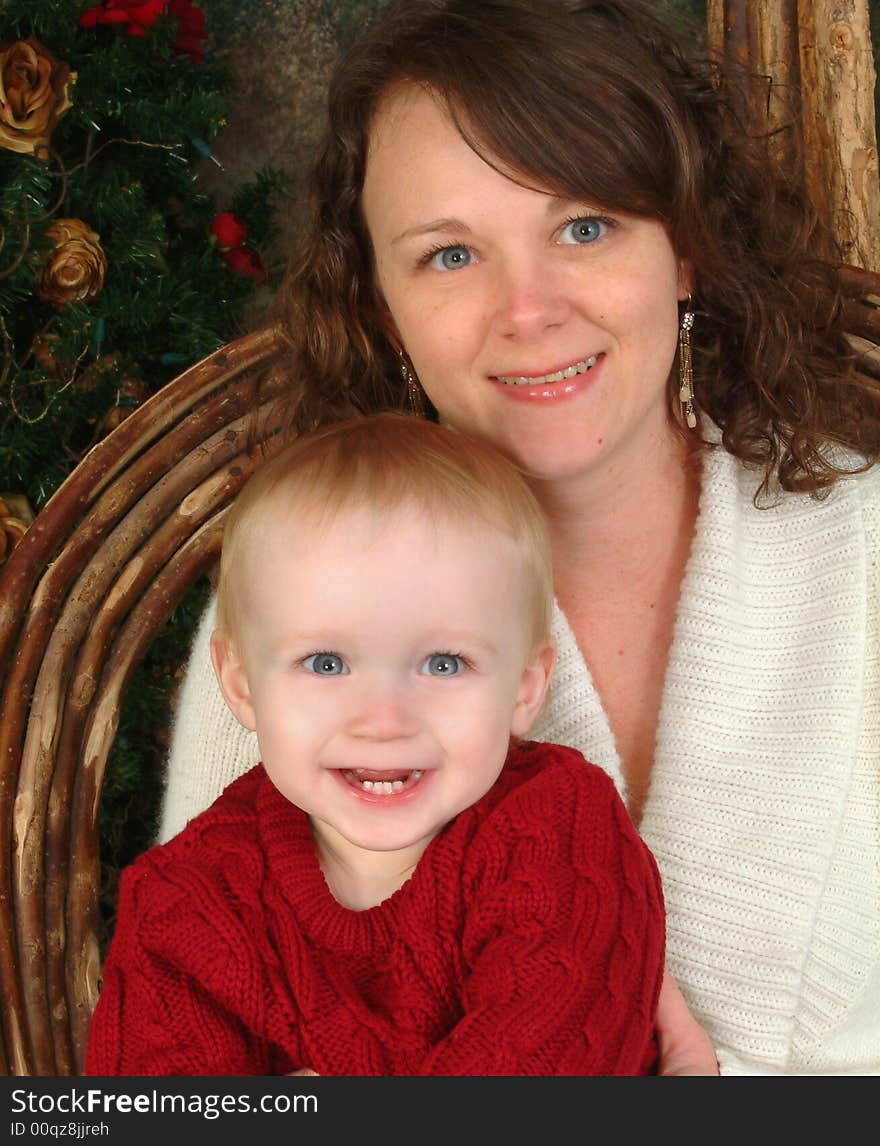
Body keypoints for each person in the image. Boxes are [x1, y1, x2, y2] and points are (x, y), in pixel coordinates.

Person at [159, 0, 880, 1076]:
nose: (528, 308)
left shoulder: (866, 551)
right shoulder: (299, 600)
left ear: (684, 250)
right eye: (449, 256)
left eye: (584, 227)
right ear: (379, 305)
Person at [86, 414, 667, 1076]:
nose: (383, 721)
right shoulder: (185, 903)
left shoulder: (562, 828)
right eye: (326, 663)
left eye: (443, 664)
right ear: (241, 685)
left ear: (525, 689)